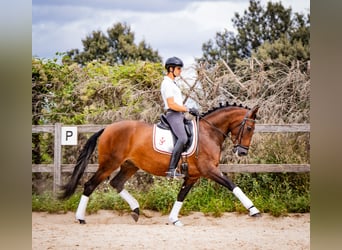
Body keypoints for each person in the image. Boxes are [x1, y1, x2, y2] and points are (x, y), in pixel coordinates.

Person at [160, 57, 199, 178]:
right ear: (170, 69)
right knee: (182, 138)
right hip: (173, 115)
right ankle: (171, 169)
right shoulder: (166, 83)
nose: (180, 71)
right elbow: (171, 104)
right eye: (178, 68)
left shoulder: (173, 83)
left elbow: (178, 103)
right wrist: (187, 109)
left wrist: (189, 110)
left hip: (179, 114)